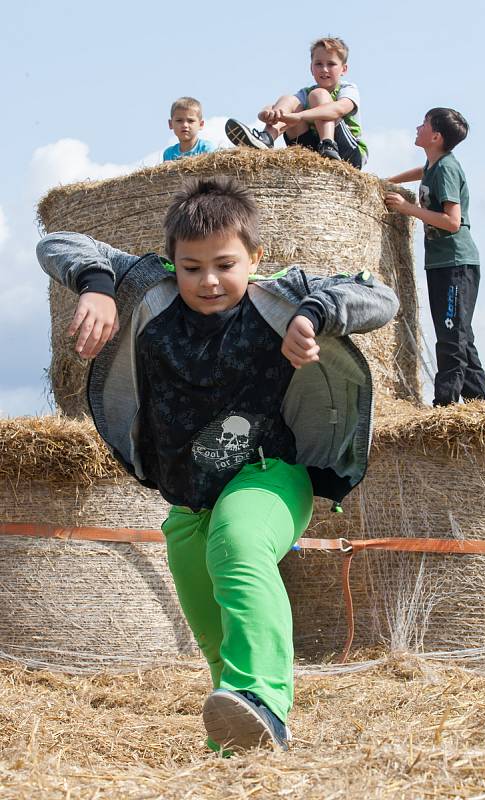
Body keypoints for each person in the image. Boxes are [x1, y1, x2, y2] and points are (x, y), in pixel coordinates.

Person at [36, 177, 398, 753]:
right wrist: (98, 286)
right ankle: (238, 741)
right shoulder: (147, 289)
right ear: (171, 263)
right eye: (191, 267)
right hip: (189, 496)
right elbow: (56, 242)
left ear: (255, 257)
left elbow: (381, 298)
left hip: (270, 471)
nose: (208, 280)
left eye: (225, 264)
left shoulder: (280, 297)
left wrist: (314, 316)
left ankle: (265, 701)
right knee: (212, 624)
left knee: (238, 543)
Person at [385, 108, 485, 407]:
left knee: (451, 336)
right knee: (460, 336)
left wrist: (408, 210)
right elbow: (422, 172)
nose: (417, 127)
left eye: (424, 124)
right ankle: (481, 405)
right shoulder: (436, 164)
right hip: (442, 262)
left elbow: (451, 221)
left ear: (435, 136)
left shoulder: (446, 168)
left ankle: (443, 406)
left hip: (456, 263)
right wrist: (389, 181)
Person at [225, 37, 367, 167]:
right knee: (288, 100)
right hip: (313, 151)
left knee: (318, 95)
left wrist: (300, 116)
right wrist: (271, 113)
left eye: (331, 64)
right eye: (318, 64)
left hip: (348, 154)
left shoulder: (348, 89)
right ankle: (266, 138)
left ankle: (328, 145)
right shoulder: (305, 93)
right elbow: (287, 107)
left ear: (344, 69)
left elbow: (338, 109)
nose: (324, 69)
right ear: (311, 68)